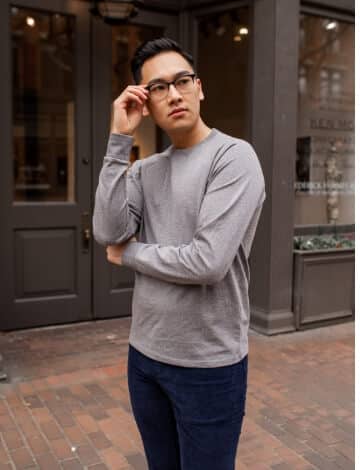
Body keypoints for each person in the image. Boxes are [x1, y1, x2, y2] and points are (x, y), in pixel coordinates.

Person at [92, 37, 265, 469]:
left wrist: (129, 256)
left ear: (199, 87)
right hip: (145, 357)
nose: (173, 94)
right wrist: (118, 140)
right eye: (158, 87)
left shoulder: (234, 158)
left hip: (208, 365)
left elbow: (207, 262)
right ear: (145, 102)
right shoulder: (145, 170)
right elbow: (106, 230)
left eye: (181, 81)